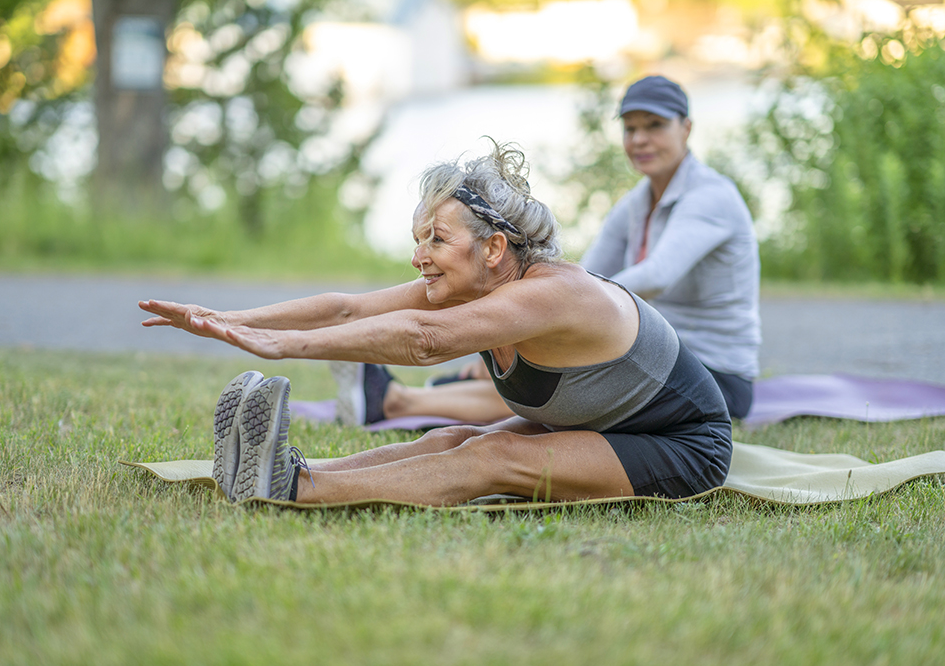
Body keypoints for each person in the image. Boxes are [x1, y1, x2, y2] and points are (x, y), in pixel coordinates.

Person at [138, 140, 732, 506]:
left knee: (491, 457)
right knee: (448, 438)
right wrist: (223, 320)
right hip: (609, 425)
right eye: (418, 239)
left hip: (681, 445)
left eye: (436, 239)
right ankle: (290, 468)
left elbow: (425, 341)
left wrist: (284, 345)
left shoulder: (556, 295)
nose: (420, 255)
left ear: (494, 248)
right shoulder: (472, 279)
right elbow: (349, 308)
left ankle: (291, 489)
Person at [339, 74, 760, 425]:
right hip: (652, 359)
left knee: (564, 380)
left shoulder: (711, 198)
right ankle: (422, 392)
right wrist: (533, 319)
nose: (640, 139)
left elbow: (655, 276)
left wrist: (557, 316)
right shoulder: (638, 202)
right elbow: (587, 272)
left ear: (686, 128)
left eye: (655, 126)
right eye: (631, 128)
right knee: (540, 355)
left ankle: (397, 401)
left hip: (710, 376)